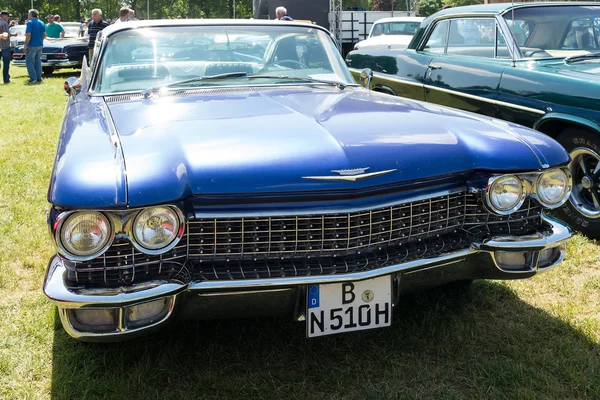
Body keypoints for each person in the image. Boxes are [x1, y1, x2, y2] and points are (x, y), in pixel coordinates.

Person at [24, 9, 45, 83]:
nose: (28, 15)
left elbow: (28, 34)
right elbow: (44, 34)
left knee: (29, 61)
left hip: (32, 44)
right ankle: (39, 77)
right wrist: (40, 40)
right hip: (40, 44)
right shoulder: (42, 22)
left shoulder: (29, 23)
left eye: (28, 14)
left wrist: (25, 45)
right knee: (38, 61)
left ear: (31, 15)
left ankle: (33, 78)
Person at [0, 10, 16, 84]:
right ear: (3, 16)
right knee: (6, 64)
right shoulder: (4, 23)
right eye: (7, 16)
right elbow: (6, 35)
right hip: (5, 46)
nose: (8, 17)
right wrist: (13, 35)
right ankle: (6, 79)